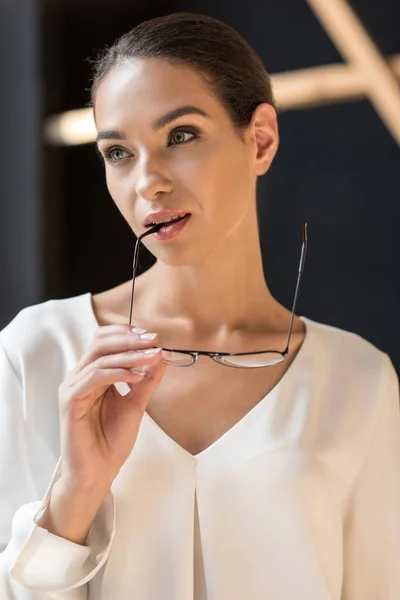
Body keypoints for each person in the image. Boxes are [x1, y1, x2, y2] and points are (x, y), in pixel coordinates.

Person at [0, 11, 399, 600]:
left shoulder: (358, 379)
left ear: (260, 140)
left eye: (180, 136)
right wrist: (76, 493)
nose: (148, 182)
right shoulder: (37, 352)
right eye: (118, 152)